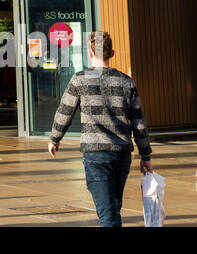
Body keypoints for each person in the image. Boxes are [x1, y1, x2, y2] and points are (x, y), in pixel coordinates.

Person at [48, 31, 153, 227]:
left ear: (90, 52)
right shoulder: (126, 82)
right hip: (121, 154)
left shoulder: (80, 80)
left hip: (95, 154)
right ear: (112, 53)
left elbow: (65, 111)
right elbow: (138, 122)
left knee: (108, 212)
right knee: (112, 207)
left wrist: (55, 138)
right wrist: (145, 155)